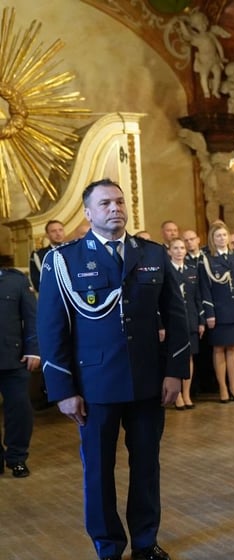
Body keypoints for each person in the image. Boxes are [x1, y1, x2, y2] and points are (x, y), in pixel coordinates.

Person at [37, 178, 190, 560]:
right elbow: (52, 328)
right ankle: (108, 546)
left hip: (147, 381)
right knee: (98, 470)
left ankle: (145, 542)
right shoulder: (65, 259)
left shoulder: (151, 253)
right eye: (105, 203)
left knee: (146, 467)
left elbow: (177, 316)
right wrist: (63, 389)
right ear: (88, 213)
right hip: (95, 385)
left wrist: (175, 371)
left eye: (119, 202)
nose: (115, 209)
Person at [198, 221, 234, 403]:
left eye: (224, 235)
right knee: (219, 349)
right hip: (218, 312)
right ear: (212, 239)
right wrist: (209, 313)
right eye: (218, 236)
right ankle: (223, 388)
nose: (222, 239)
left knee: (233, 348)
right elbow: (205, 289)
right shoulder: (207, 260)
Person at [0, 254, 38, 478]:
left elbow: (32, 317)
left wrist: (34, 349)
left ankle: (17, 457)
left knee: (19, 411)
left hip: (13, 358)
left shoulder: (16, 280)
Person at [168, 238, 204, 410]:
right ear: (169, 251)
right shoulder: (167, 271)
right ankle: (178, 395)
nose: (179, 251)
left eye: (182, 248)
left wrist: (201, 321)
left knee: (189, 357)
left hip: (191, 319)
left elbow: (198, 297)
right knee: (176, 357)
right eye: (175, 248)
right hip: (173, 322)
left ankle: (187, 394)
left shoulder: (192, 269)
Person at [174, 10, 230, 99]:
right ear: (195, 27)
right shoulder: (197, 38)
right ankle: (206, 92)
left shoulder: (211, 35)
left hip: (214, 58)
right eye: (199, 25)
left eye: (204, 23)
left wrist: (222, 57)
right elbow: (187, 35)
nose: (203, 26)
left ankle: (215, 90)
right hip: (204, 61)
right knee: (204, 75)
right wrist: (181, 23)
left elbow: (218, 46)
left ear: (207, 22)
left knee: (218, 73)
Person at [29, 219, 65, 292]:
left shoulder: (74, 251)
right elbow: (36, 280)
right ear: (47, 235)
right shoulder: (38, 255)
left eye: (60, 230)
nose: (58, 234)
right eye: (53, 231)